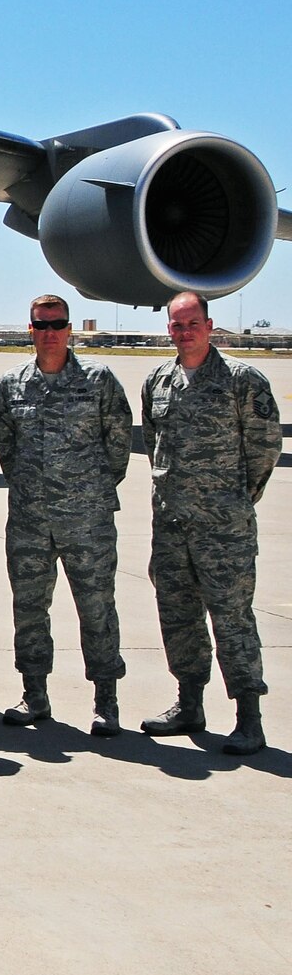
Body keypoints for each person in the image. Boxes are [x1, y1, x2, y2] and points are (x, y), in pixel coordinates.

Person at [139, 292, 281, 756]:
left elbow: (264, 449)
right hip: (171, 526)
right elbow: (153, 442)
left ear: (209, 323)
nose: (184, 331)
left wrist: (234, 500)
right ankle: (189, 703)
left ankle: (248, 718)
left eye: (192, 322)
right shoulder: (158, 381)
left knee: (232, 619)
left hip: (224, 531)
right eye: (177, 325)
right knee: (179, 618)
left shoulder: (241, 379)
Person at [0, 294, 133, 735]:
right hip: (30, 519)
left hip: (86, 520)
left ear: (70, 329)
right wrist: (35, 490)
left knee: (97, 609)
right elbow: (6, 449)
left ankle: (106, 701)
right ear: (29, 329)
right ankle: (34, 694)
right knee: (30, 608)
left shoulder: (98, 379)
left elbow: (119, 446)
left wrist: (86, 490)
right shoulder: (11, 385)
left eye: (58, 323)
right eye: (41, 324)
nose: (50, 331)